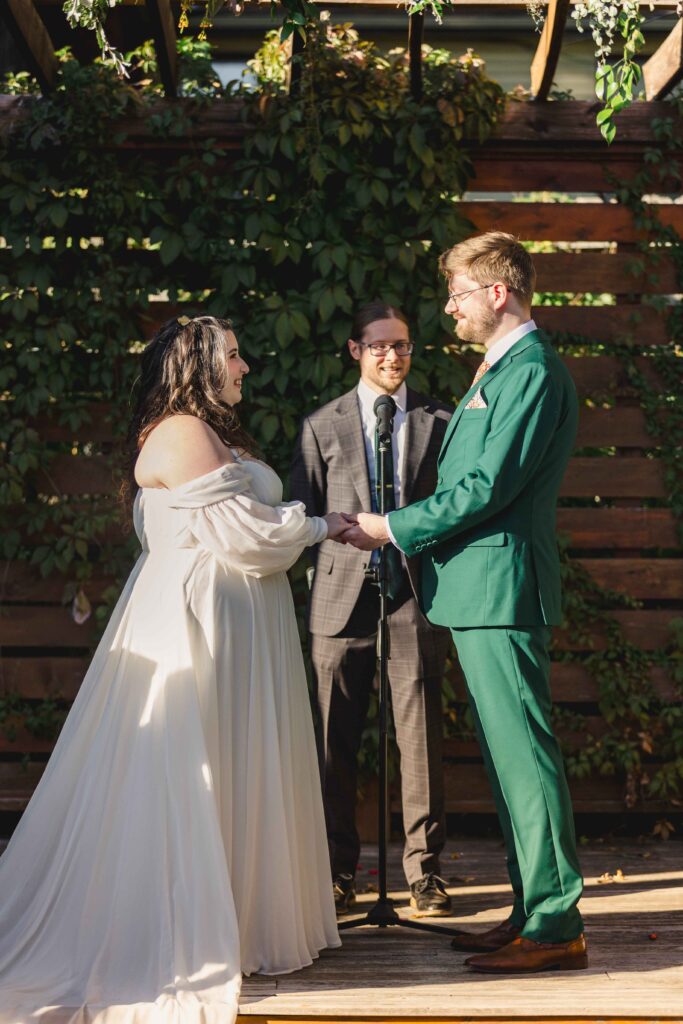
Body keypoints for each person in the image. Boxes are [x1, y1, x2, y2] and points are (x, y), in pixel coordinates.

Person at [0, 315, 346, 1024]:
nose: (245, 366)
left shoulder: (214, 434)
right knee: (198, 764)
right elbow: (246, 536)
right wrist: (321, 525)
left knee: (237, 762)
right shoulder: (180, 431)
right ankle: (176, 929)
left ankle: (240, 919)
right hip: (200, 624)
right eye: (233, 354)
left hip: (242, 622)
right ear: (196, 364)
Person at [342, 235, 587, 974]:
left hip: (501, 590)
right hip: (477, 592)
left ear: (497, 292)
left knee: (525, 761)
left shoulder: (532, 371)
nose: (447, 306)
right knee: (507, 761)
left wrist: (390, 527)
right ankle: (529, 912)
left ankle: (553, 925)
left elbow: (488, 486)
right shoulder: (503, 367)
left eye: (455, 292)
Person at [290, 301, 454, 918]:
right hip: (338, 603)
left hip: (417, 597)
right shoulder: (321, 424)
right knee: (335, 743)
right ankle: (337, 871)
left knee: (420, 742)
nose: (394, 356)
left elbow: (452, 508)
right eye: (380, 346)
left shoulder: (442, 420)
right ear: (356, 351)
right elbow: (302, 516)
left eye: (403, 346)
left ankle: (426, 874)